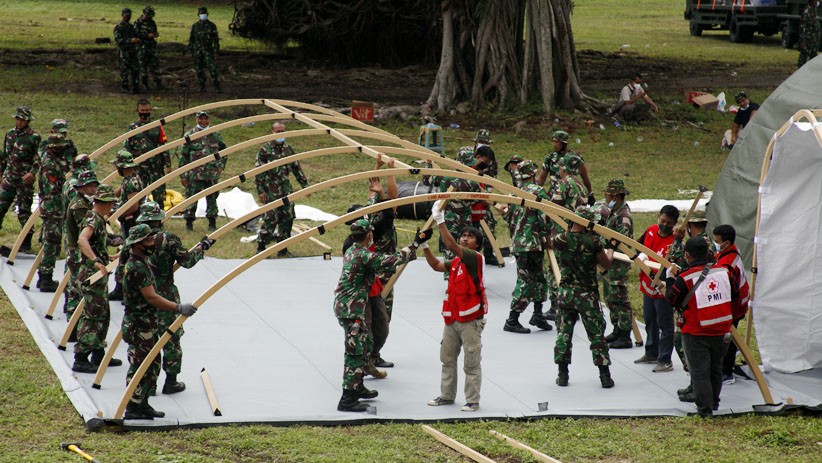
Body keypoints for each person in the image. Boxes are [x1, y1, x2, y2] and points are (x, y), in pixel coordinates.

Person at [333, 219, 419, 412]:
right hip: (352, 310)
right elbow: (391, 260)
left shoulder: (352, 250)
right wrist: (415, 244)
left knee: (364, 347)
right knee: (355, 354)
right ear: (369, 235)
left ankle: (358, 387)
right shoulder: (363, 255)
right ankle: (347, 399)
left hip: (349, 307)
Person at [121, 224, 198, 420]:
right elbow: (152, 297)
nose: (151, 243)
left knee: (152, 364)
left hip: (147, 323)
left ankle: (143, 403)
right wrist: (178, 308)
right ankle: (133, 405)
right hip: (139, 324)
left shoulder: (141, 261)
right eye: (147, 240)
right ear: (137, 244)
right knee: (140, 365)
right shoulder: (137, 267)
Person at [135, 201, 214, 394]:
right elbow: (187, 261)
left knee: (146, 338)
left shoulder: (135, 239)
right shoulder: (167, 238)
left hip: (142, 293)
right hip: (165, 293)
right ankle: (171, 381)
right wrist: (201, 247)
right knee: (170, 336)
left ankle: (145, 384)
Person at [424, 200, 486, 412]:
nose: (465, 238)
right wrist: (424, 246)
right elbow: (436, 265)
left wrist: (439, 220)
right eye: (463, 236)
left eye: (470, 237)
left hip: (470, 321)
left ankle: (472, 401)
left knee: (471, 362)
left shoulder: (474, 258)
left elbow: (451, 246)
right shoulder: (457, 262)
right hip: (452, 319)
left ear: (477, 244)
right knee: (447, 359)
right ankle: (446, 396)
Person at [665, 237, 734, 418]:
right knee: (716, 369)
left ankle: (704, 410)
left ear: (687, 255)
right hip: (722, 329)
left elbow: (671, 300)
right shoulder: (724, 272)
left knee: (699, 373)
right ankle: (714, 402)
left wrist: (670, 279)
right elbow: (734, 294)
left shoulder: (685, 278)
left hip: (696, 332)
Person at [550, 205, 615, 388]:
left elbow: (553, 242)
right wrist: (611, 248)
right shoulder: (593, 242)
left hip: (566, 294)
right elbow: (606, 264)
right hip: (587, 295)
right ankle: (605, 376)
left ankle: (563, 375)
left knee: (564, 334)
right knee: (596, 335)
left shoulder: (560, 239)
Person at [72, 184, 123, 373]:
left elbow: (96, 244)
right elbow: (82, 239)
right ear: (106, 203)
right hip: (91, 275)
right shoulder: (93, 218)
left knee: (103, 313)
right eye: (111, 204)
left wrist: (107, 257)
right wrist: (95, 260)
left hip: (98, 275)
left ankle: (98, 353)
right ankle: (81, 357)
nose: (112, 207)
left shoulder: (99, 219)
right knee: (93, 316)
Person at [503, 160, 552, 334]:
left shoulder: (514, 192)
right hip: (532, 243)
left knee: (539, 278)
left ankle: (538, 314)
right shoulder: (538, 191)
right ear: (532, 173)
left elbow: (508, 218)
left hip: (519, 242)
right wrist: (547, 236)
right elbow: (545, 216)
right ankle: (512, 319)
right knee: (527, 280)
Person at [634, 205, 679, 373]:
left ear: (674, 224)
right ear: (658, 217)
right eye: (663, 221)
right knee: (650, 319)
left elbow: (677, 265)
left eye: (669, 223)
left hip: (663, 288)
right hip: (648, 284)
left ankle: (665, 359)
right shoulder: (651, 230)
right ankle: (651, 352)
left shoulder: (675, 243)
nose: (665, 225)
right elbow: (639, 247)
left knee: (664, 323)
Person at [254, 122, 309, 256]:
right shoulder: (264, 150)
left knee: (287, 217)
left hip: (285, 189)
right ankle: (261, 246)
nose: (281, 134)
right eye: (278, 131)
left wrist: (305, 186)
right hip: (270, 190)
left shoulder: (288, 149)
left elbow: (296, 168)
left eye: (283, 131)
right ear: (272, 132)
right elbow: (259, 172)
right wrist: (260, 191)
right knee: (270, 219)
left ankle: (283, 248)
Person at [35, 119, 75, 292]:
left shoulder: (57, 159)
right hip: (53, 209)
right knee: (51, 242)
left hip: (56, 208)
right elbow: (54, 190)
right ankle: (45, 277)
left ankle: (44, 275)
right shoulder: (50, 164)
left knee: (51, 242)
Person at [712, 224, 749, 386]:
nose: (715, 244)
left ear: (726, 243)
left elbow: (727, 288)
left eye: (717, 241)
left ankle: (727, 371)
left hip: (734, 306)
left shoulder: (728, 263)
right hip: (738, 302)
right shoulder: (730, 252)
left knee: (727, 338)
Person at [63, 170, 100, 331]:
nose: (94, 190)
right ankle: (73, 327)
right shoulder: (79, 206)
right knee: (77, 289)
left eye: (95, 186)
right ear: (82, 187)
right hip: (78, 253)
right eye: (90, 186)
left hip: (78, 251)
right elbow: (86, 231)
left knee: (76, 287)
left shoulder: (84, 203)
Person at [1, 106, 41, 252]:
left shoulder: (33, 137)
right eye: (17, 119)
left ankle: (25, 243)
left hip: (24, 181)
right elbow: (5, 156)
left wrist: (32, 173)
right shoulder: (10, 134)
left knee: (24, 212)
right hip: (9, 178)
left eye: (22, 120)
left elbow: (38, 158)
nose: (19, 122)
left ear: (27, 121)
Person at [180, 111, 226, 231]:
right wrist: (183, 175)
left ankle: (212, 223)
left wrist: (221, 165)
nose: (203, 121)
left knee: (212, 199)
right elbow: (184, 156)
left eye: (206, 118)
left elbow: (224, 151)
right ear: (196, 119)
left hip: (211, 174)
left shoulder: (216, 134)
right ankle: (189, 223)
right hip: (195, 174)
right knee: (191, 199)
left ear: (209, 120)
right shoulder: (190, 135)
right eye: (201, 119)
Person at [602, 179, 635, 349]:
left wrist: (607, 245)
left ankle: (625, 334)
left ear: (615, 196)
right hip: (610, 261)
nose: (606, 198)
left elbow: (620, 241)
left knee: (620, 299)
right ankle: (617, 329)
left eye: (607, 195)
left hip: (618, 263)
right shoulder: (614, 212)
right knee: (611, 298)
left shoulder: (623, 217)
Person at [108, 150, 145, 302]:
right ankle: (121, 286)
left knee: (127, 254)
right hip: (128, 222)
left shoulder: (132, 182)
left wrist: (116, 214)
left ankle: (125, 289)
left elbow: (133, 205)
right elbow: (117, 193)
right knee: (124, 253)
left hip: (132, 222)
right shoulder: (129, 179)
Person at [125, 99, 170, 205]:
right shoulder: (132, 128)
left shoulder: (157, 126)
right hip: (139, 167)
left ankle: (159, 214)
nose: (145, 113)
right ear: (137, 110)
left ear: (151, 110)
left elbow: (163, 145)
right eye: (142, 110)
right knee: (139, 194)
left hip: (156, 166)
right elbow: (127, 147)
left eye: (147, 110)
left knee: (159, 194)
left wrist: (168, 164)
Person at [537, 130, 593, 202]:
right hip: (554, 195)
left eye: (556, 142)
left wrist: (590, 193)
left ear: (564, 143)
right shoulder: (550, 158)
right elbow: (541, 178)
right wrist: (536, 191)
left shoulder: (575, 158)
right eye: (553, 141)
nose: (554, 144)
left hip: (571, 196)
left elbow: (585, 177)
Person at [188, 6, 221, 93]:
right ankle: (202, 86)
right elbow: (191, 39)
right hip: (197, 51)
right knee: (199, 69)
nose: (203, 15)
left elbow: (216, 40)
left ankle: (217, 86)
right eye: (201, 14)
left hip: (208, 51)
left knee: (212, 68)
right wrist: (190, 51)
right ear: (198, 15)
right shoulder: (195, 26)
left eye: (204, 14)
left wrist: (216, 51)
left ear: (207, 14)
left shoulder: (212, 26)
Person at [113, 7, 141, 94]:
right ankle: (125, 87)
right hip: (124, 52)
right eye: (126, 15)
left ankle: (135, 86)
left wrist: (137, 40)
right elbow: (119, 40)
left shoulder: (131, 27)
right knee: (124, 70)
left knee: (136, 69)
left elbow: (136, 36)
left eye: (129, 15)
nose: (127, 17)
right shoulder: (119, 27)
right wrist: (130, 40)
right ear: (122, 15)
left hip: (132, 51)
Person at [134, 6, 162, 90]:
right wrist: (147, 36)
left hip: (151, 47)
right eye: (147, 15)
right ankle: (145, 84)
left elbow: (154, 31)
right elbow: (136, 35)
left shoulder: (152, 22)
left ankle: (158, 83)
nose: (149, 17)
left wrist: (155, 34)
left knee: (154, 65)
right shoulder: (137, 23)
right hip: (141, 48)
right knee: (143, 66)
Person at [797, 0, 820, 68]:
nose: (817, 2)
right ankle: (800, 72)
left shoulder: (814, 10)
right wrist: (802, 42)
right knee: (803, 59)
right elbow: (802, 28)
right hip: (807, 41)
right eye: (815, 0)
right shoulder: (806, 12)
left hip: (814, 41)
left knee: (813, 60)